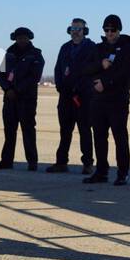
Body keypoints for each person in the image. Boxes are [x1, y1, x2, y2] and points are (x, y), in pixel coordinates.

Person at [82, 14, 130, 185]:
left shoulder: (127, 48)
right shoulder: (98, 49)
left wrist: (105, 82)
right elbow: (86, 69)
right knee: (99, 136)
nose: (110, 33)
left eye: (113, 30)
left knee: (119, 137)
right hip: (98, 100)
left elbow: (124, 72)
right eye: (107, 30)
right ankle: (101, 171)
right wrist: (101, 65)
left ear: (119, 30)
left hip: (117, 100)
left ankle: (122, 172)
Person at [46, 18, 95, 174]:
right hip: (66, 97)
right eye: (72, 29)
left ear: (84, 31)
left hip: (83, 98)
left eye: (78, 29)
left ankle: (87, 163)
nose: (75, 32)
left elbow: (92, 71)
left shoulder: (91, 48)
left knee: (85, 130)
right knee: (65, 131)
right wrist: (61, 87)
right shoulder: (65, 48)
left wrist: (79, 89)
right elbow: (58, 69)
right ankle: (61, 162)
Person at [0, 27, 44, 170]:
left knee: (28, 130)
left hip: (27, 99)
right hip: (9, 99)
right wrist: (8, 89)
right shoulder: (8, 54)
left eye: (24, 37)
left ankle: (32, 162)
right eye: (19, 37)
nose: (22, 40)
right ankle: (7, 161)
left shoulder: (36, 55)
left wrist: (17, 90)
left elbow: (34, 76)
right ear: (15, 38)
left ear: (29, 38)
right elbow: (1, 74)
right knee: (9, 131)